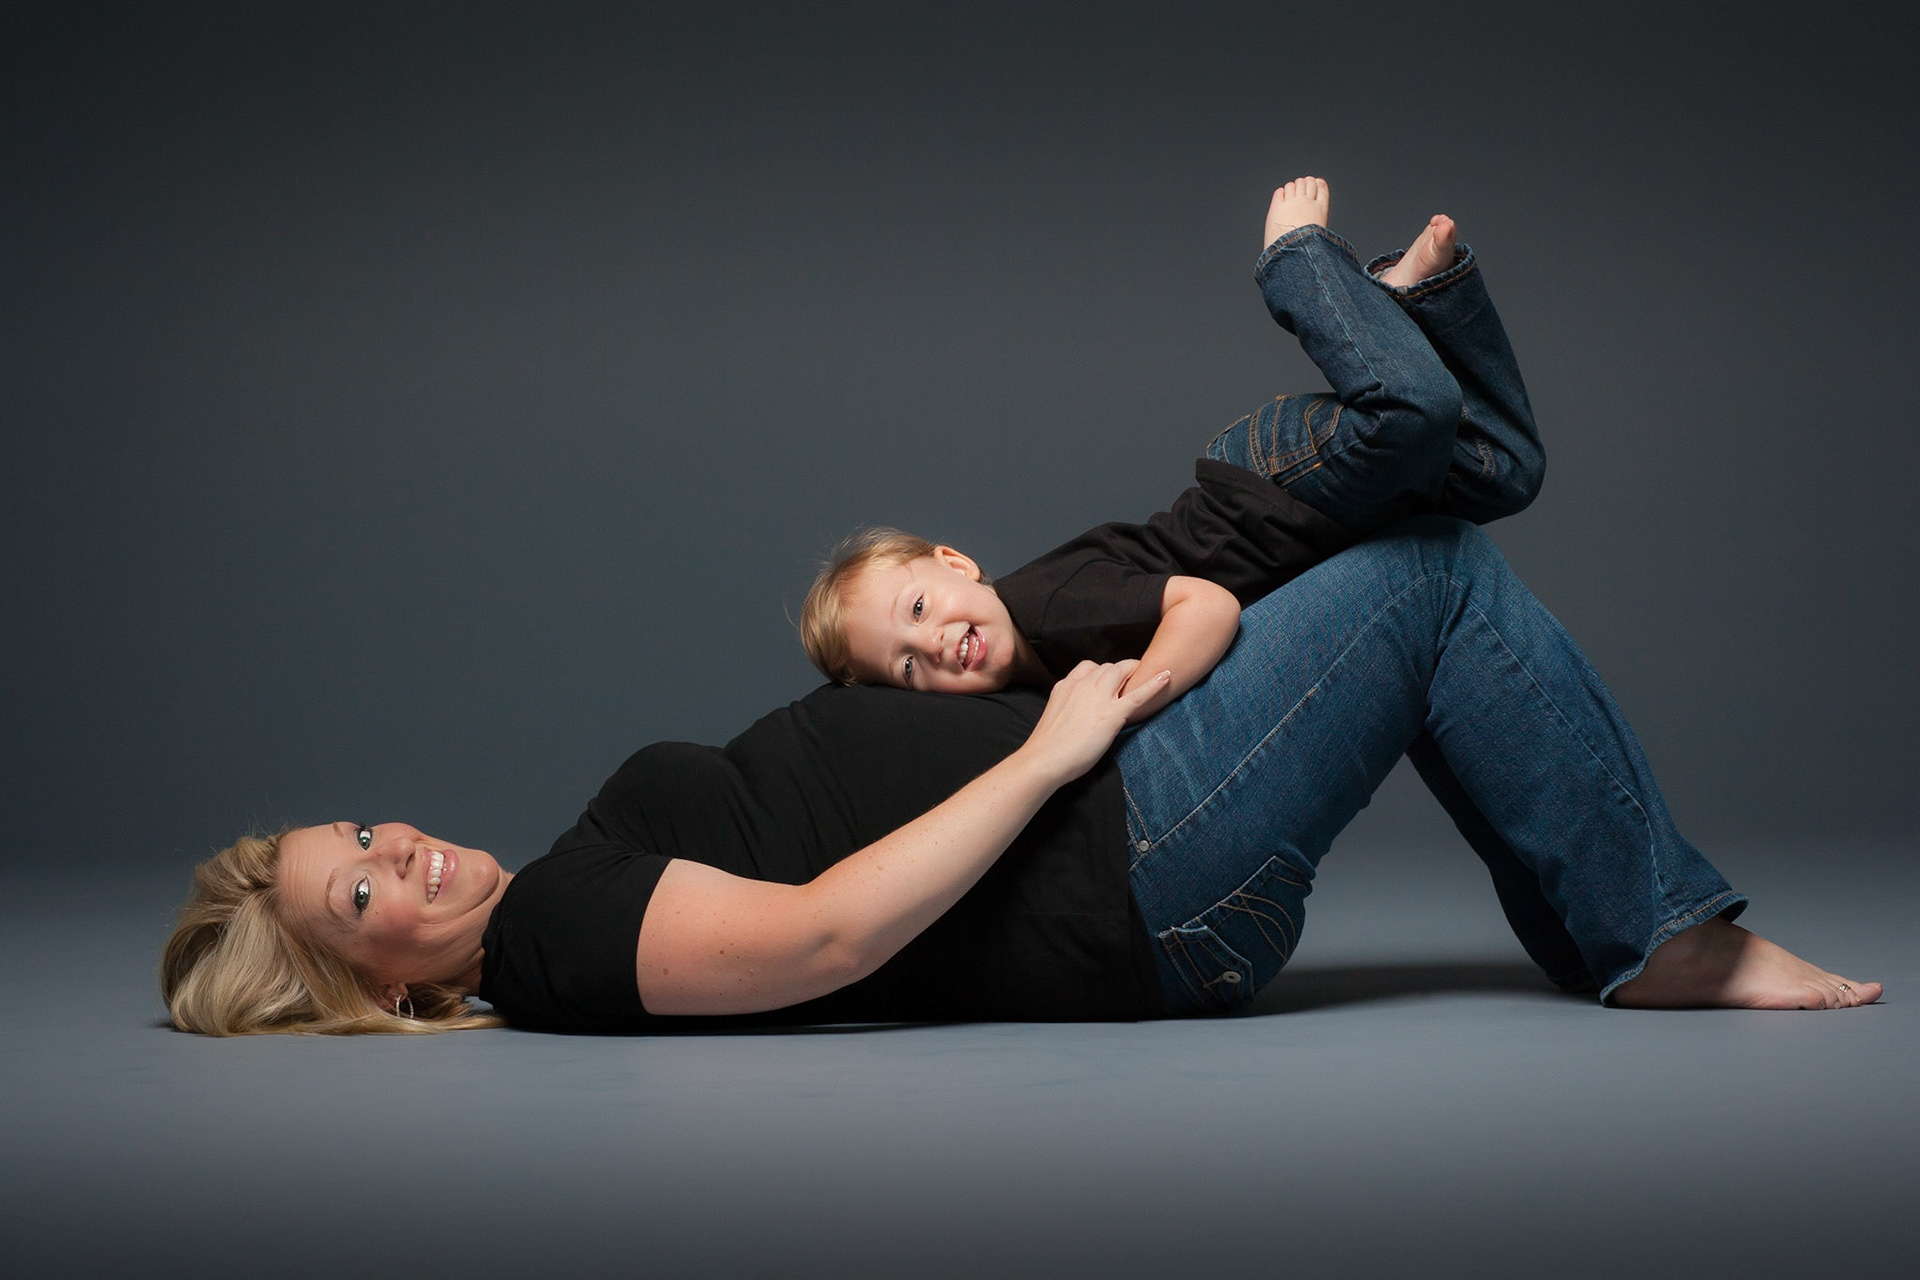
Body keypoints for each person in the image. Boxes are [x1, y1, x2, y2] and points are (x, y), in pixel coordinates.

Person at [160, 519, 1882, 1035]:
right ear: (356, 985)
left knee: (1376, 572)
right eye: (360, 892)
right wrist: (1059, 742)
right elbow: (829, 936)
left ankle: (1625, 928)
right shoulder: (551, 951)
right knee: (1427, 583)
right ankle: (1661, 941)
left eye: (363, 828)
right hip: (1126, 861)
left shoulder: (558, 881)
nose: (402, 854)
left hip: (1121, 809)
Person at [800, 177, 1545, 727]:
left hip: (1267, 493)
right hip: (1311, 528)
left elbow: (1207, 603)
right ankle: (1403, 305)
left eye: (920, 606)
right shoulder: (1031, 679)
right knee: (1505, 469)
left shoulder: (1040, 608)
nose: (934, 644)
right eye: (906, 665)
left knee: (1413, 411)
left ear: (956, 563)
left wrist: (1123, 706)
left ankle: (1300, 260)